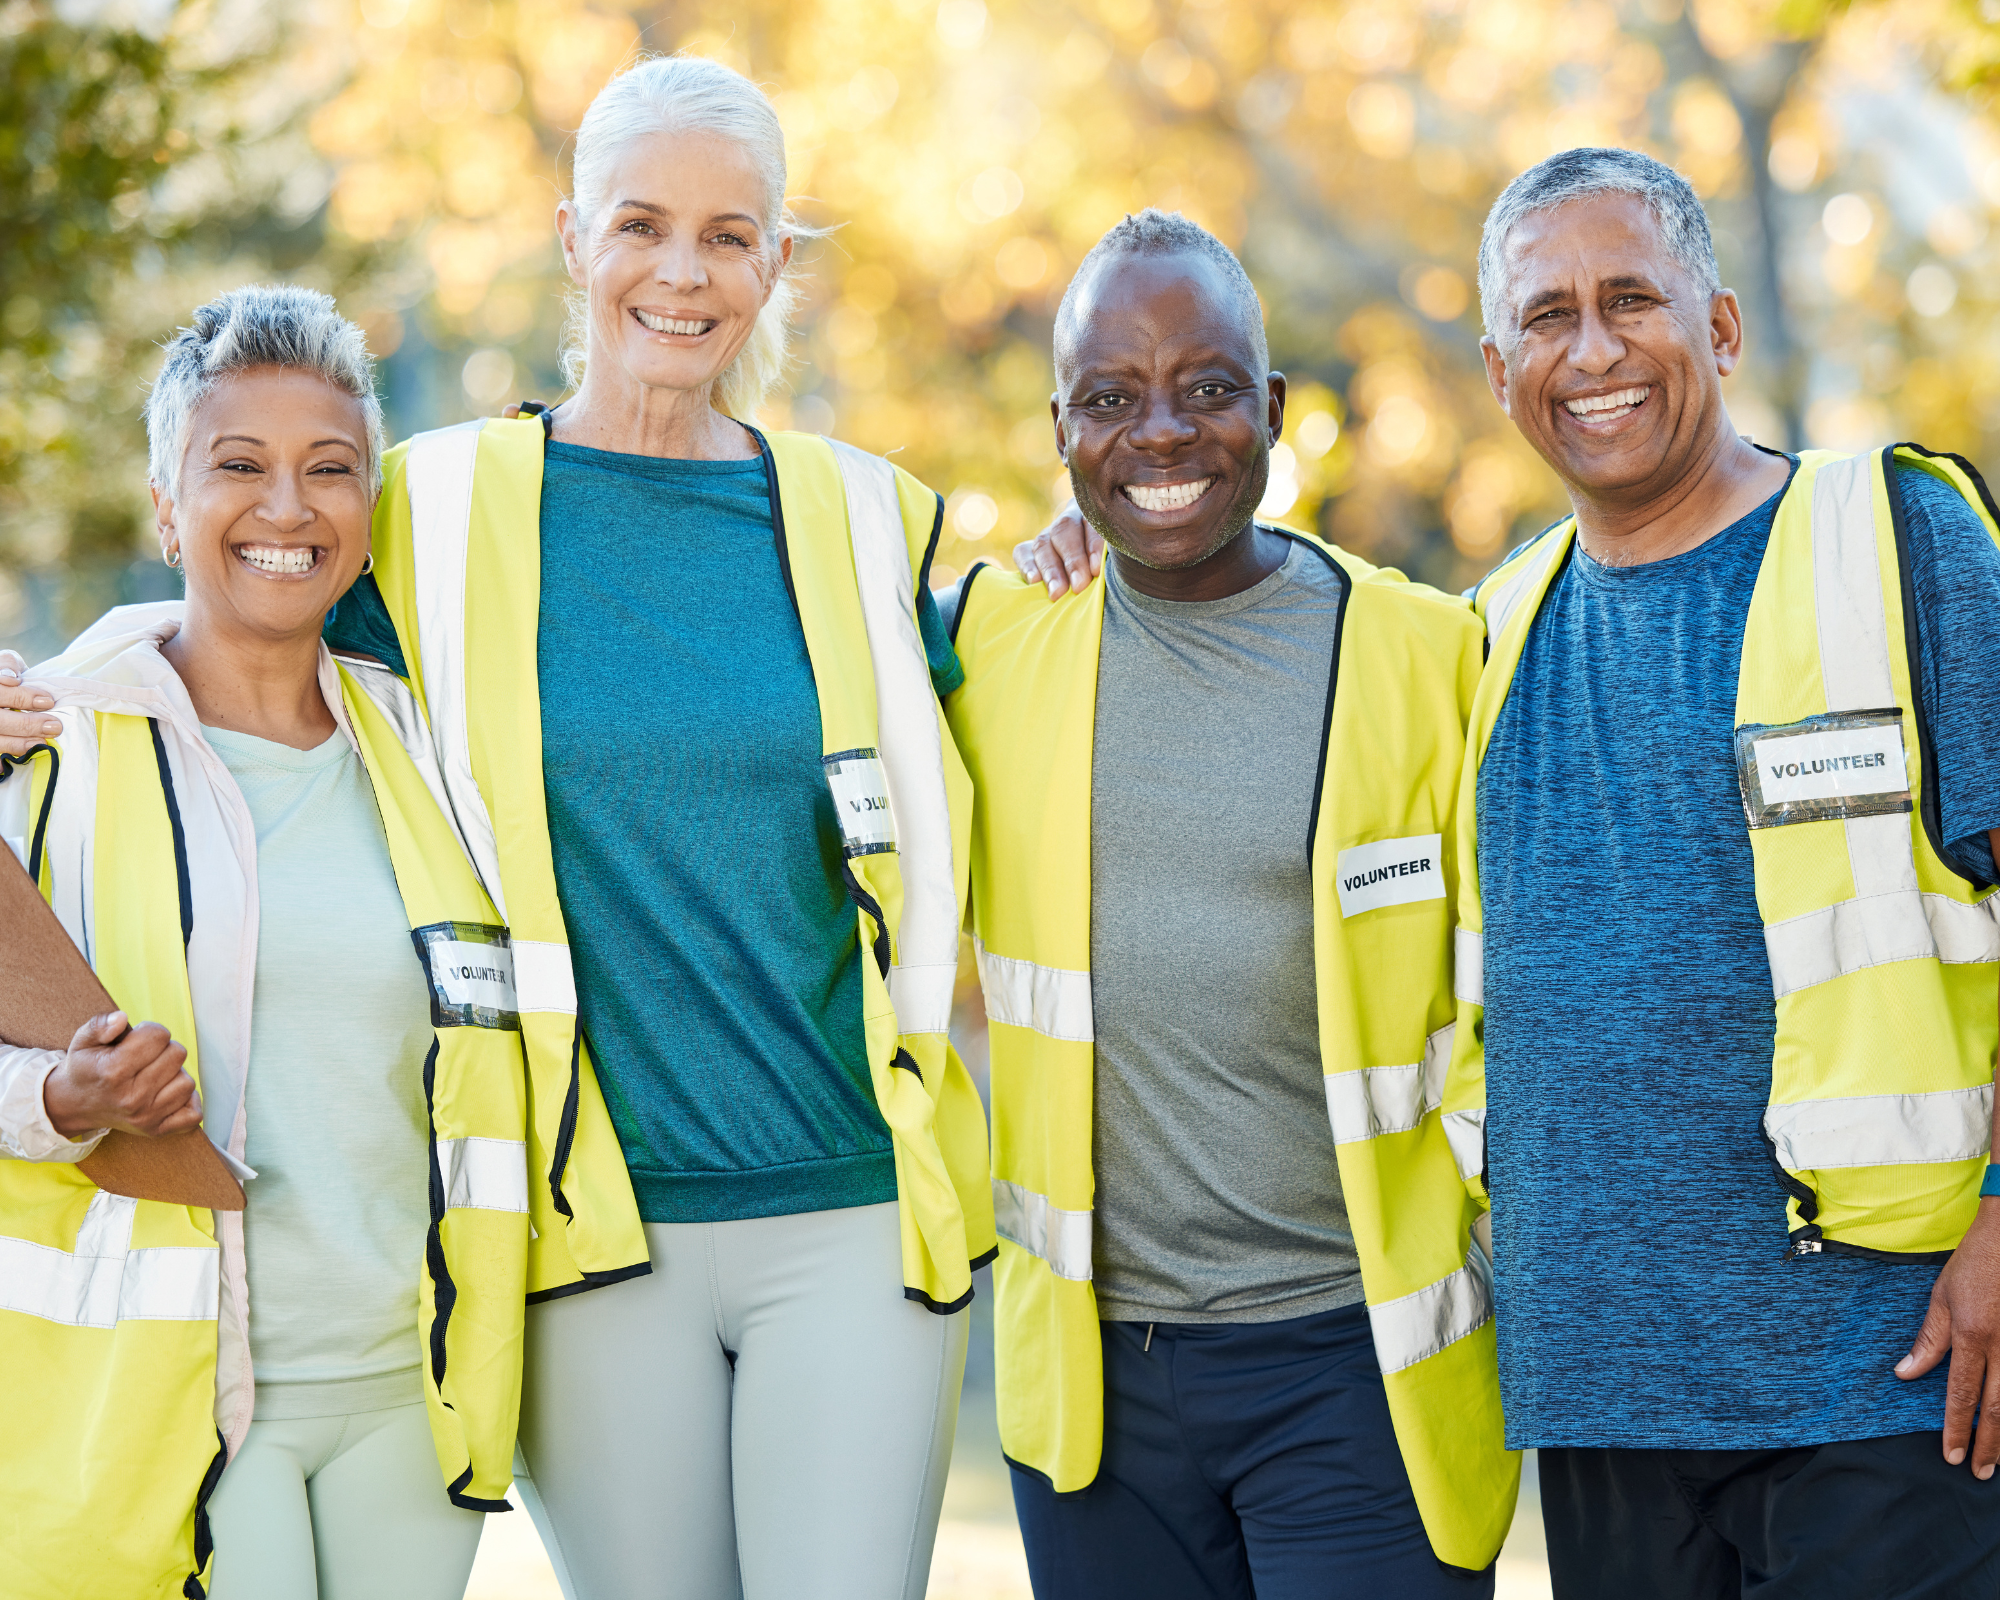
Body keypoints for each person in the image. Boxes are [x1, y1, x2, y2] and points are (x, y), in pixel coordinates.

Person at [313, 52, 994, 1600]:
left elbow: (1019, 693)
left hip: (849, 1205)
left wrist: (1089, 542)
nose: (682, 273)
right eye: (641, 225)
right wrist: (82, 676)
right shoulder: (429, 510)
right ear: (572, 241)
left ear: (776, 263)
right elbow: (241, 630)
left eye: (730, 236)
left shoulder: (866, 514)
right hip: (584, 1225)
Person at [1440, 146, 2000, 1598]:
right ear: (1500, 371)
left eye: (1632, 298)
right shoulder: (1485, 635)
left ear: (1724, 329)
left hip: (1886, 1377)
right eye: (1547, 318)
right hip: (1603, 1391)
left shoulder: (1896, 541)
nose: (1594, 349)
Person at [943, 209, 1513, 1599]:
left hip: (1356, 1372)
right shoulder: (986, 642)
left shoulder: (1425, 654)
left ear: (1270, 409)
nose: (1161, 435)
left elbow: (1516, 1004)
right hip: (1099, 1392)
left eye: (1206, 390)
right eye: (1110, 400)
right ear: (1060, 430)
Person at [0, 285, 594, 1599]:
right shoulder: (52, 759)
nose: (287, 508)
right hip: (185, 1396)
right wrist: (63, 1093)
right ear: (168, 505)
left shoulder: (434, 757)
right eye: (239, 467)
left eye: (330, 470)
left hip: (413, 1391)